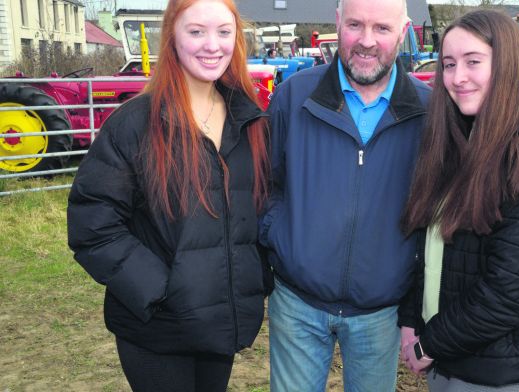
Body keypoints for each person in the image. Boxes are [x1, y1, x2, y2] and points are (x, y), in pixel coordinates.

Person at [66, 0, 271, 390]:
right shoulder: (136, 123)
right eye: (196, 31)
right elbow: (93, 222)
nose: (212, 45)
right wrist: (161, 289)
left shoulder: (251, 122)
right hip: (157, 329)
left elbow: (257, 211)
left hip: (219, 325)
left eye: (224, 32)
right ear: (172, 36)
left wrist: (255, 273)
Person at [397, 10, 519, 391]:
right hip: (450, 354)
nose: (458, 78)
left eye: (474, 62)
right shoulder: (462, 137)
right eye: (449, 64)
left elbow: (509, 291)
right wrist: (413, 319)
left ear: (508, 64)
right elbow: (430, 242)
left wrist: (430, 343)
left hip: (496, 370)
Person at [258, 0, 431, 390]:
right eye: (355, 25)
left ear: (403, 32)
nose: (367, 41)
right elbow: (264, 185)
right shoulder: (293, 96)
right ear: (337, 23)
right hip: (297, 303)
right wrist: (280, 237)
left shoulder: (429, 112)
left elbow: (434, 213)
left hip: (380, 311)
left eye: (382, 29)